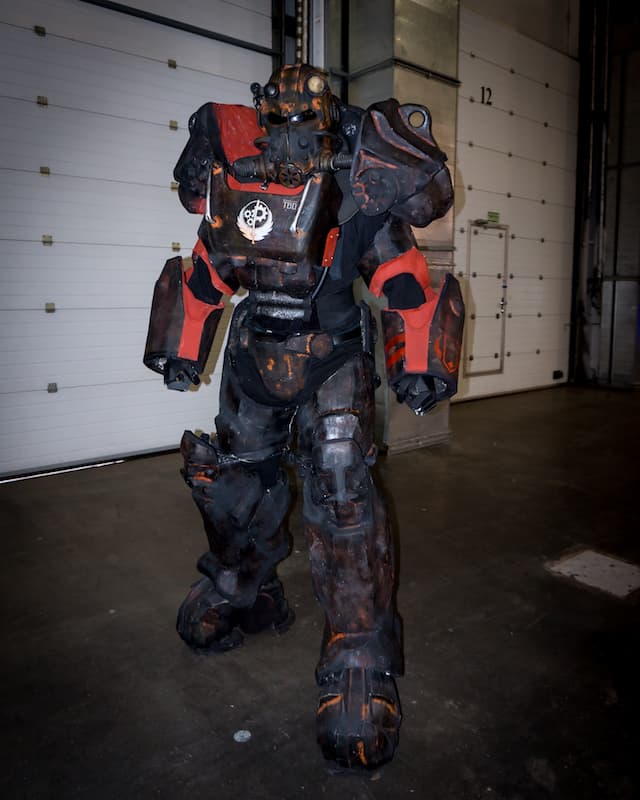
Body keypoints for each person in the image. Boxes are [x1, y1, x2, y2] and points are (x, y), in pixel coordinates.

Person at [144, 62, 463, 770]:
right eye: (278, 126)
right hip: (255, 359)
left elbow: (402, 281)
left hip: (332, 356)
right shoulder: (240, 184)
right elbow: (207, 271)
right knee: (232, 480)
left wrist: (418, 361)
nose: (287, 146)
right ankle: (241, 585)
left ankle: (358, 653)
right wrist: (179, 346)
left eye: (302, 128)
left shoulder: (354, 195)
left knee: (342, 490)